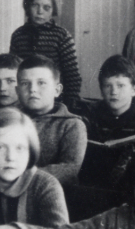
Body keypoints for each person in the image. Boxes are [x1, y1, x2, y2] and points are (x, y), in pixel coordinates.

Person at [9, 0, 82, 110]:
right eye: (35, 5)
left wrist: (67, 107)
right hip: (25, 101)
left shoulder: (61, 36)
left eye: (46, 7)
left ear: (54, 9)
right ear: (27, 6)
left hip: (54, 103)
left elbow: (72, 78)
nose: (39, 12)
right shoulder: (18, 35)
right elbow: (13, 72)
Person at [16, 55, 87, 186]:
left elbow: (69, 168)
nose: (33, 89)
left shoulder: (72, 125)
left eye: (41, 83)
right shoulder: (9, 120)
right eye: (25, 83)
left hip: (54, 196)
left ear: (57, 90)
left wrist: (21, 177)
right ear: (17, 91)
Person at [82, 55, 135, 144]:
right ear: (101, 90)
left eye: (120, 86)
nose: (114, 92)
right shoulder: (91, 112)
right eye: (108, 86)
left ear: (134, 90)